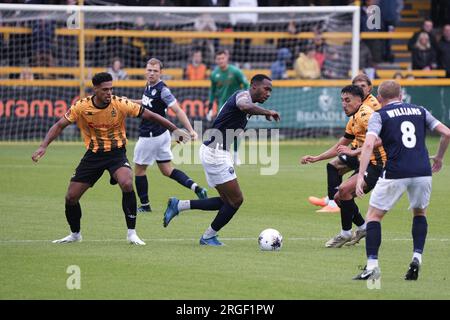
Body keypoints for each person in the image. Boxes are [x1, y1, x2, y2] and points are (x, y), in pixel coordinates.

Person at [31, 72, 190, 245]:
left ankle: (132, 234)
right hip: (94, 155)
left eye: (111, 89)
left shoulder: (119, 103)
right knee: (71, 197)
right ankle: (75, 234)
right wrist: (43, 145)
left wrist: (175, 129)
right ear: (95, 89)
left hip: (116, 154)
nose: (109, 93)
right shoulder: (82, 106)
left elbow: (151, 115)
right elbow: (60, 124)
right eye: (105, 89)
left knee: (127, 183)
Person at [162, 74, 280, 246]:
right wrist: (267, 112)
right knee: (236, 200)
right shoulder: (243, 97)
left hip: (215, 151)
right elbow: (243, 105)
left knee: (227, 201)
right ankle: (208, 236)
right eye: (266, 89)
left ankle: (179, 205)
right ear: (254, 86)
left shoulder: (248, 101)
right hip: (215, 153)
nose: (268, 93)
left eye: (270, 90)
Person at [353, 80, 450, 281]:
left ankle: (372, 267)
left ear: (379, 99)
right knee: (419, 212)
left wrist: (361, 175)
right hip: (422, 170)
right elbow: (446, 133)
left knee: (373, 217)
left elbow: (369, 144)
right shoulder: (420, 110)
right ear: (401, 95)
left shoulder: (379, 115)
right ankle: (417, 258)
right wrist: (439, 157)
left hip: (396, 171)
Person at [301, 85, 386, 248]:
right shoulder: (353, 120)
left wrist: (356, 152)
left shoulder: (365, 114)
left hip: (379, 165)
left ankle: (345, 233)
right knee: (340, 197)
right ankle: (362, 228)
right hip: (367, 163)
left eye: (347, 100)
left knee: (344, 190)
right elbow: (339, 146)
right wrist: (316, 158)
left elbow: (383, 138)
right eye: (342, 100)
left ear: (359, 100)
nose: (343, 104)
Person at [131, 58, 208, 213]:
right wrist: (130, 101)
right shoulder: (149, 85)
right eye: (149, 70)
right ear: (145, 70)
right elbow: (147, 102)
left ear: (161, 73)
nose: (151, 73)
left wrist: (190, 130)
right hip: (162, 135)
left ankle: (145, 206)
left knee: (139, 171)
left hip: (150, 136)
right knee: (167, 170)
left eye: (155, 71)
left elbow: (178, 110)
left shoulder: (163, 90)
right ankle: (197, 188)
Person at [308, 74, 381, 213]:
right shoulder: (357, 108)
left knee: (338, 171)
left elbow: (379, 136)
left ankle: (335, 203)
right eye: (356, 85)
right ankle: (333, 201)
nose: (359, 88)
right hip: (360, 149)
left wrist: (356, 150)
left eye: (363, 86)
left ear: (369, 88)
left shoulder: (370, 107)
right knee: (335, 167)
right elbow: (347, 138)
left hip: (372, 156)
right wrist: (316, 158)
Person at [207, 50, 250, 165]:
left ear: (227, 58)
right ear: (216, 60)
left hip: (238, 105)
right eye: (218, 59)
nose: (220, 61)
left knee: (237, 131)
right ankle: (221, 153)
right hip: (223, 105)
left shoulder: (235, 71)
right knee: (221, 131)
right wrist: (210, 106)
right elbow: (212, 91)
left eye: (222, 58)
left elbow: (246, 84)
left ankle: (235, 155)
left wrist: (246, 98)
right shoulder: (214, 74)